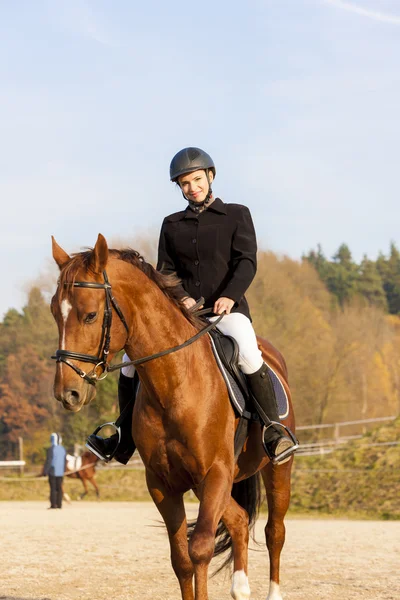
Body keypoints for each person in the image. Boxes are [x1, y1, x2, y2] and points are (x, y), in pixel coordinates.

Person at [87, 147, 297, 465]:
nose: (192, 187)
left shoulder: (237, 214)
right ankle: (123, 434)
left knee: (249, 351)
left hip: (227, 312)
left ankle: (273, 430)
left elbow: (246, 262)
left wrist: (229, 295)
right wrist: (180, 296)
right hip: (185, 314)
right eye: (185, 183)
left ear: (210, 177)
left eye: (197, 179)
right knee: (130, 360)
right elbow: (166, 269)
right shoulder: (172, 225)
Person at [42, 432, 67, 509]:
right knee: (59, 488)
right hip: (61, 472)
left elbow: (49, 461)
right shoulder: (63, 449)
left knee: (53, 488)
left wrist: (45, 471)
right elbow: (65, 461)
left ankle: (53, 505)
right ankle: (59, 504)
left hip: (53, 471)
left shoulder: (51, 449)